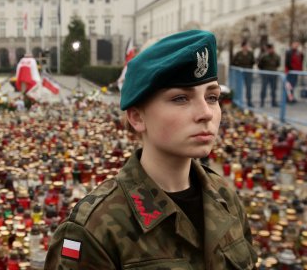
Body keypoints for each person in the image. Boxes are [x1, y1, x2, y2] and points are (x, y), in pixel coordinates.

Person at [45, 30, 257, 269]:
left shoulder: (225, 198)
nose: (206, 113)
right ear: (137, 117)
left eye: (212, 97)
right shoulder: (94, 229)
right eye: (180, 98)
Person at [231, 41, 255, 107]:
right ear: (243, 46)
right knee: (239, 88)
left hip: (248, 73)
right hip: (240, 74)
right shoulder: (238, 54)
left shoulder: (250, 53)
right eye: (246, 46)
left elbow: (253, 62)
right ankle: (238, 102)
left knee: (249, 88)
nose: (247, 47)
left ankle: (249, 101)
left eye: (248, 46)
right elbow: (233, 62)